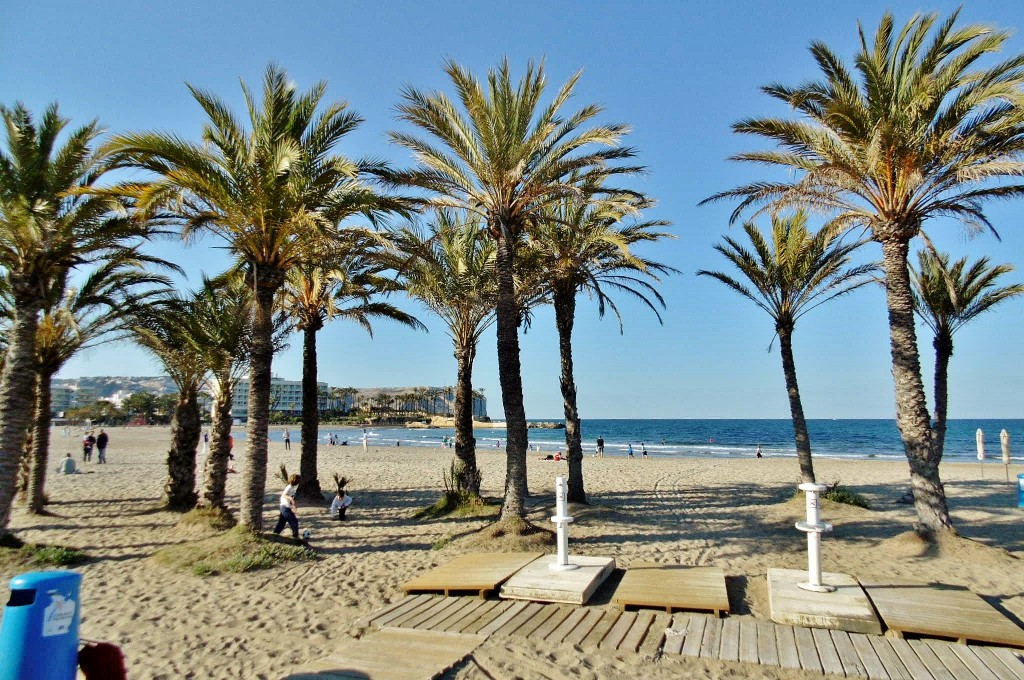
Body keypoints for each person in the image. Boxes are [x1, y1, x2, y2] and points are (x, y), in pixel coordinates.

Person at [273, 473, 301, 540]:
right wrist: (291, 499)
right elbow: (284, 495)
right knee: (294, 521)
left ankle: (275, 534)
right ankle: (295, 536)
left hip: (286, 507)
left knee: (281, 523)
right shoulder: (289, 487)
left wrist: (293, 505)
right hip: (284, 507)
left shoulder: (292, 488)